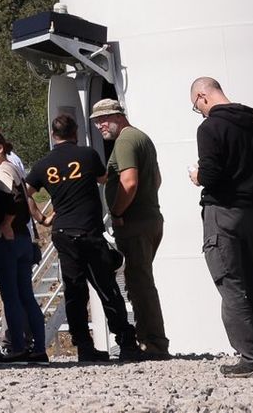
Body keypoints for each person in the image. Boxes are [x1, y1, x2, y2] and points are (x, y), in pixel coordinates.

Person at [26, 112, 139, 364]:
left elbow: (25, 191)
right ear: (75, 133)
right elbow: (103, 178)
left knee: (75, 292)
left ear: (53, 135)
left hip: (63, 234)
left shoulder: (44, 164)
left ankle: (84, 347)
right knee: (106, 288)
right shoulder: (88, 155)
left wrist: (41, 218)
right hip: (88, 231)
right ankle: (126, 342)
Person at [189, 76, 253, 378]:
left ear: (203, 96)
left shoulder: (210, 128)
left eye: (197, 107)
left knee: (231, 285)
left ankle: (252, 359)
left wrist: (197, 176)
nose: (200, 112)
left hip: (223, 214)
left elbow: (211, 176)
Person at [89, 98, 167, 360]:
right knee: (141, 280)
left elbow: (129, 181)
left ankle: (152, 343)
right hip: (150, 218)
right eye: (96, 121)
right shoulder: (141, 138)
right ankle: (152, 340)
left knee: (139, 283)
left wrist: (118, 212)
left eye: (103, 119)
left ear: (118, 116)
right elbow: (156, 179)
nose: (99, 125)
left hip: (134, 223)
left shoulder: (124, 141)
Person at [0, 129, 44, 364]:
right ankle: (39, 349)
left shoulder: (0, 171)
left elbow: (16, 198)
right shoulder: (14, 167)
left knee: (11, 296)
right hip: (24, 238)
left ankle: (17, 347)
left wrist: (6, 223)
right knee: (26, 295)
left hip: (8, 240)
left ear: (0, 148)